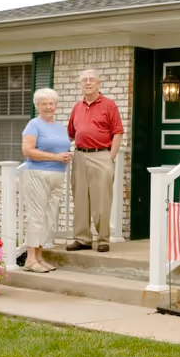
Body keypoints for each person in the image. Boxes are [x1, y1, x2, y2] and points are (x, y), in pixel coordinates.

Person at [66, 68, 124, 252]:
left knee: (101, 201)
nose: (88, 83)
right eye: (84, 80)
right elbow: (70, 134)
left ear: (99, 83)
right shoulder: (77, 107)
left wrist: (111, 156)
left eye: (91, 80)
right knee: (80, 199)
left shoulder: (109, 104)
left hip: (102, 155)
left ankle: (103, 239)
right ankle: (82, 238)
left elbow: (118, 132)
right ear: (80, 85)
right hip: (80, 155)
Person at [20, 88, 72, 272]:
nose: (48, 107)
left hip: (57, 176)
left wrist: (65, 156)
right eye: (44, 104)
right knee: (36, 216)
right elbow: (27, 151)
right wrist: (56, 157)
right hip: (37, 174)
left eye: (51, 103)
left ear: (56, 105)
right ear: (38, 106)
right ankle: (30, 259)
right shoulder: (34, 125)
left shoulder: (60, 127)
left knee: (49, 217)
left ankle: (39, 257)